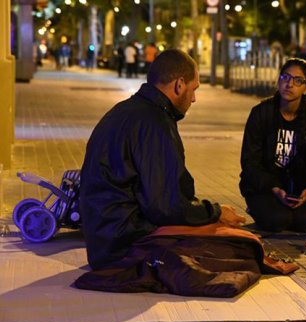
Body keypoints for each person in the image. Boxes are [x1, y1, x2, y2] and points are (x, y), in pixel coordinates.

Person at [80, 49, 243, 270]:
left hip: (104, 237)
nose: (194, 99)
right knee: (231, 244)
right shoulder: (155, 123)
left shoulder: (126, 110)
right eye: (194, 89)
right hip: (123, 245)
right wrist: (215, 212)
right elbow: (166, 207)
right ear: (179, 85)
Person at [239, 58, 306, 233]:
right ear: (278, 80)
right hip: (266, 185)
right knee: (277, 221)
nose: (289, 84)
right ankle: (257, 208)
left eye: (298, 81)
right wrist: (274, 188)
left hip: (300, 186)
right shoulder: (261, 113)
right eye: (285, 77)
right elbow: (250, 162)